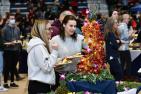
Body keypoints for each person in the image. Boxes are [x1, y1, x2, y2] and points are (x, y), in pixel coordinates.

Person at [51, 15, 88, 90]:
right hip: (60, 76)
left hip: (76, 75)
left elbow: (92, 47)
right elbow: (51, 60)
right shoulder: (55, 40)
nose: (73, 28)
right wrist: (61, 61)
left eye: (75, 26)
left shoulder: (80, 38)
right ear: (64, 25)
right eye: (71, 26)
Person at [27, 20, 58, 94]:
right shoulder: (38, 46)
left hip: (40, 85)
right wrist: (55, 51)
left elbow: (44, 64)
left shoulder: (39, 45)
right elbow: (46, 68)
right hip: (39, 87)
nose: (51, 31)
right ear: (41, 31)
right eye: (49, 29)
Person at [2, 13, 21, 88]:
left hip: (16, 50)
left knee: (13, 66)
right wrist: (10, 43)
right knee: (7, 67)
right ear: (8, 20)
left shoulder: (17, 29)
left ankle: (12, 82)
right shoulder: (4, 29)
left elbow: (18, 39)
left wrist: (18, 42)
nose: (12, 20)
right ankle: (5, 83)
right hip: (8, 51)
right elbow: (2, 42)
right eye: (11, 18)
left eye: (13, 18)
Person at [104, 17, 123, 82]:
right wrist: (118, 42)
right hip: (112, 57)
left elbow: (116, 44)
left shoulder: (109, 33)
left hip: (110, 57)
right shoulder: (111, 34)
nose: (117, 24)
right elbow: (116, 46)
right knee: (119, 73)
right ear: (111, 24)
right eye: (116, 23)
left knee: (113, 74)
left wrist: (118, 42)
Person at [118, 13, 136, 79]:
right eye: (128, 18)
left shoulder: (120, 25)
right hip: (124, 47)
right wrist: (131, 32)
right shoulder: (124, 25)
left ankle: (122, 77)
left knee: (122, 63)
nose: (129, 20)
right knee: (128, 63)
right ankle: (128, 77)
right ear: (125, 19)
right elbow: (126, 37)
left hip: (120, 47)